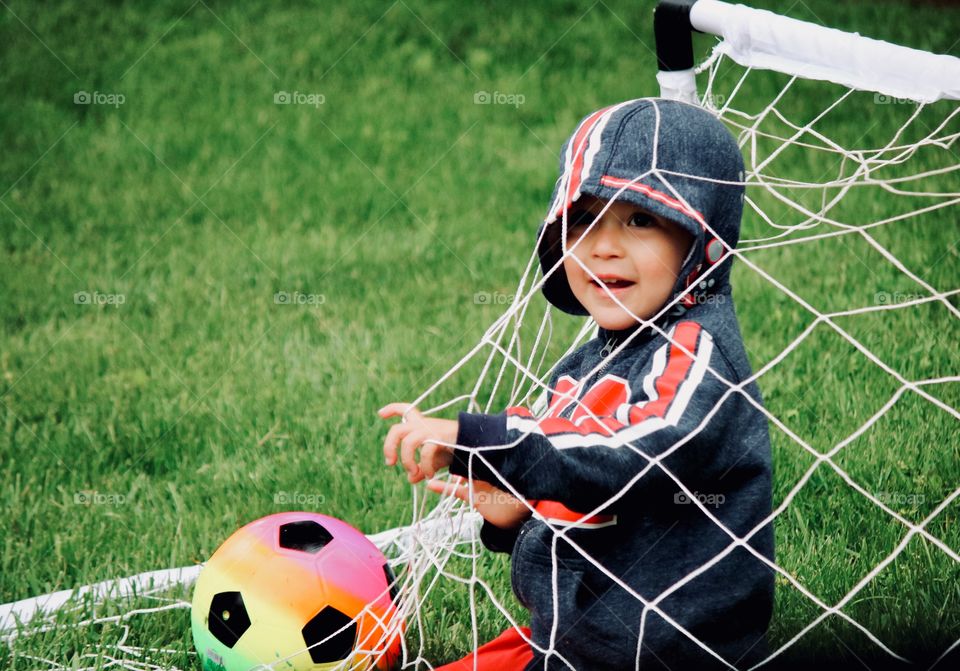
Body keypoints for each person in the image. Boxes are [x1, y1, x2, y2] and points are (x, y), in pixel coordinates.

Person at [380, 98, 775, 670]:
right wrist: (513, 516)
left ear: (701, 241)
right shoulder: (586, 364)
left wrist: (480, 439)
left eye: (639, 219)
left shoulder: (699, 359)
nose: (602, 245)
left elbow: (625, 457)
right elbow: (581, 507)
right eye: (584, 219)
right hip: (571, 646)